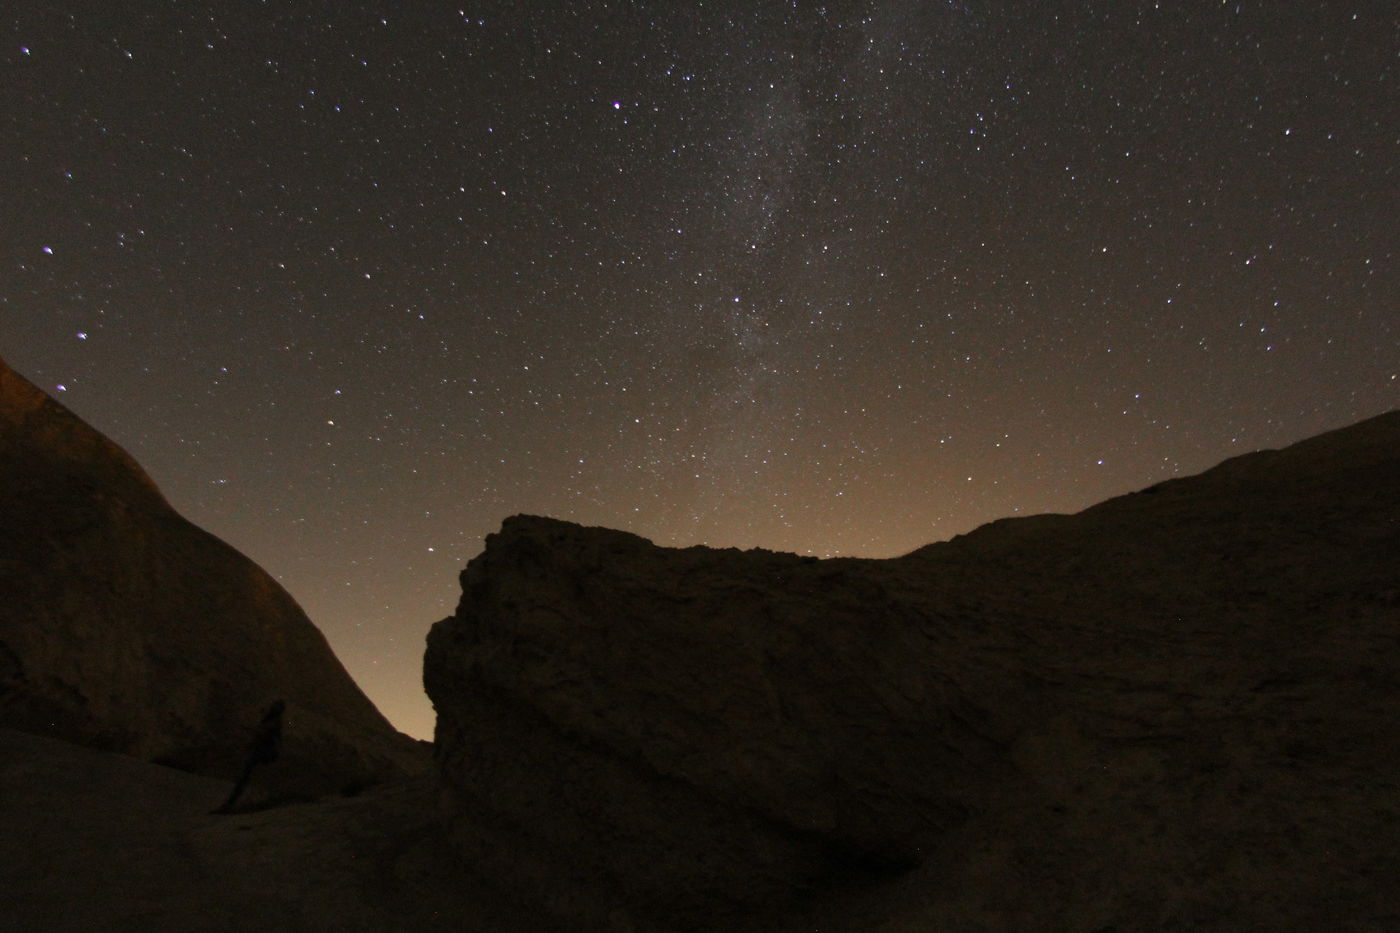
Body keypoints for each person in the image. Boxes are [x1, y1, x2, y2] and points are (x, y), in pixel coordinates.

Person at [212, 700, 285, 814]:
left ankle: (231, 804)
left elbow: (264, 736)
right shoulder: (272, 721)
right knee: (245, 778)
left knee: (244, 778)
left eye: (276, 708)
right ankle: (234, 803)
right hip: (260, 752)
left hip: (259, 752)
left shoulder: (273, 722)